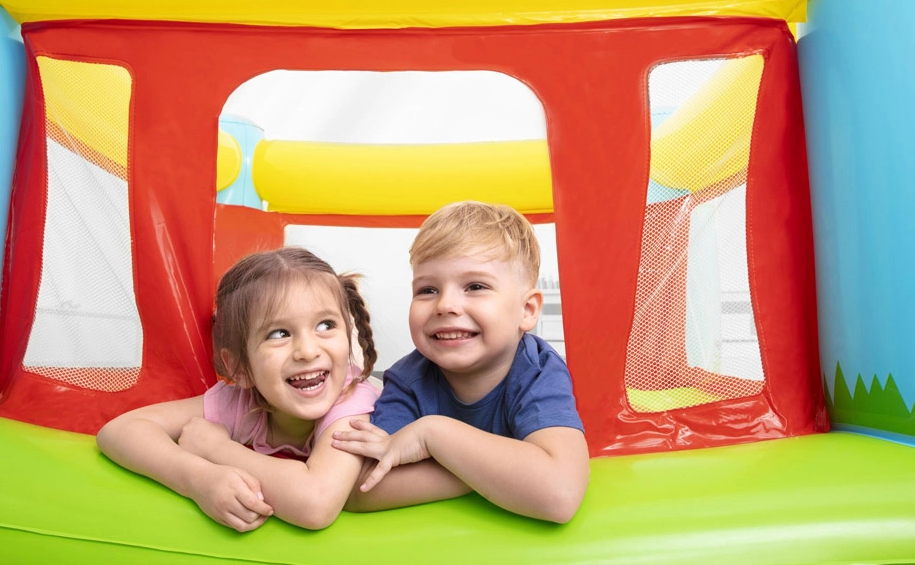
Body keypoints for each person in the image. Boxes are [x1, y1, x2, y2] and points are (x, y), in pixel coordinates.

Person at [333, 200, 589, 523]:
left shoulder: (537, 371)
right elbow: (360, 488)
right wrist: (498, 476)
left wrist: (433, 436)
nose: (445, 305)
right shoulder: (407, 381)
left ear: (527, 310)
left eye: (475, 286)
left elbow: (560, 493)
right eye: (427, 290)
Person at [97, 247, 380, 531]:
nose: (307, 351)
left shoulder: (351, 397)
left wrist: (217, 449)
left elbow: (315, 504)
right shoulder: (241, 402)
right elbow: (120, 430)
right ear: (240, 368)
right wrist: (198, 478)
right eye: (279, 333)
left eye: (326, 325)